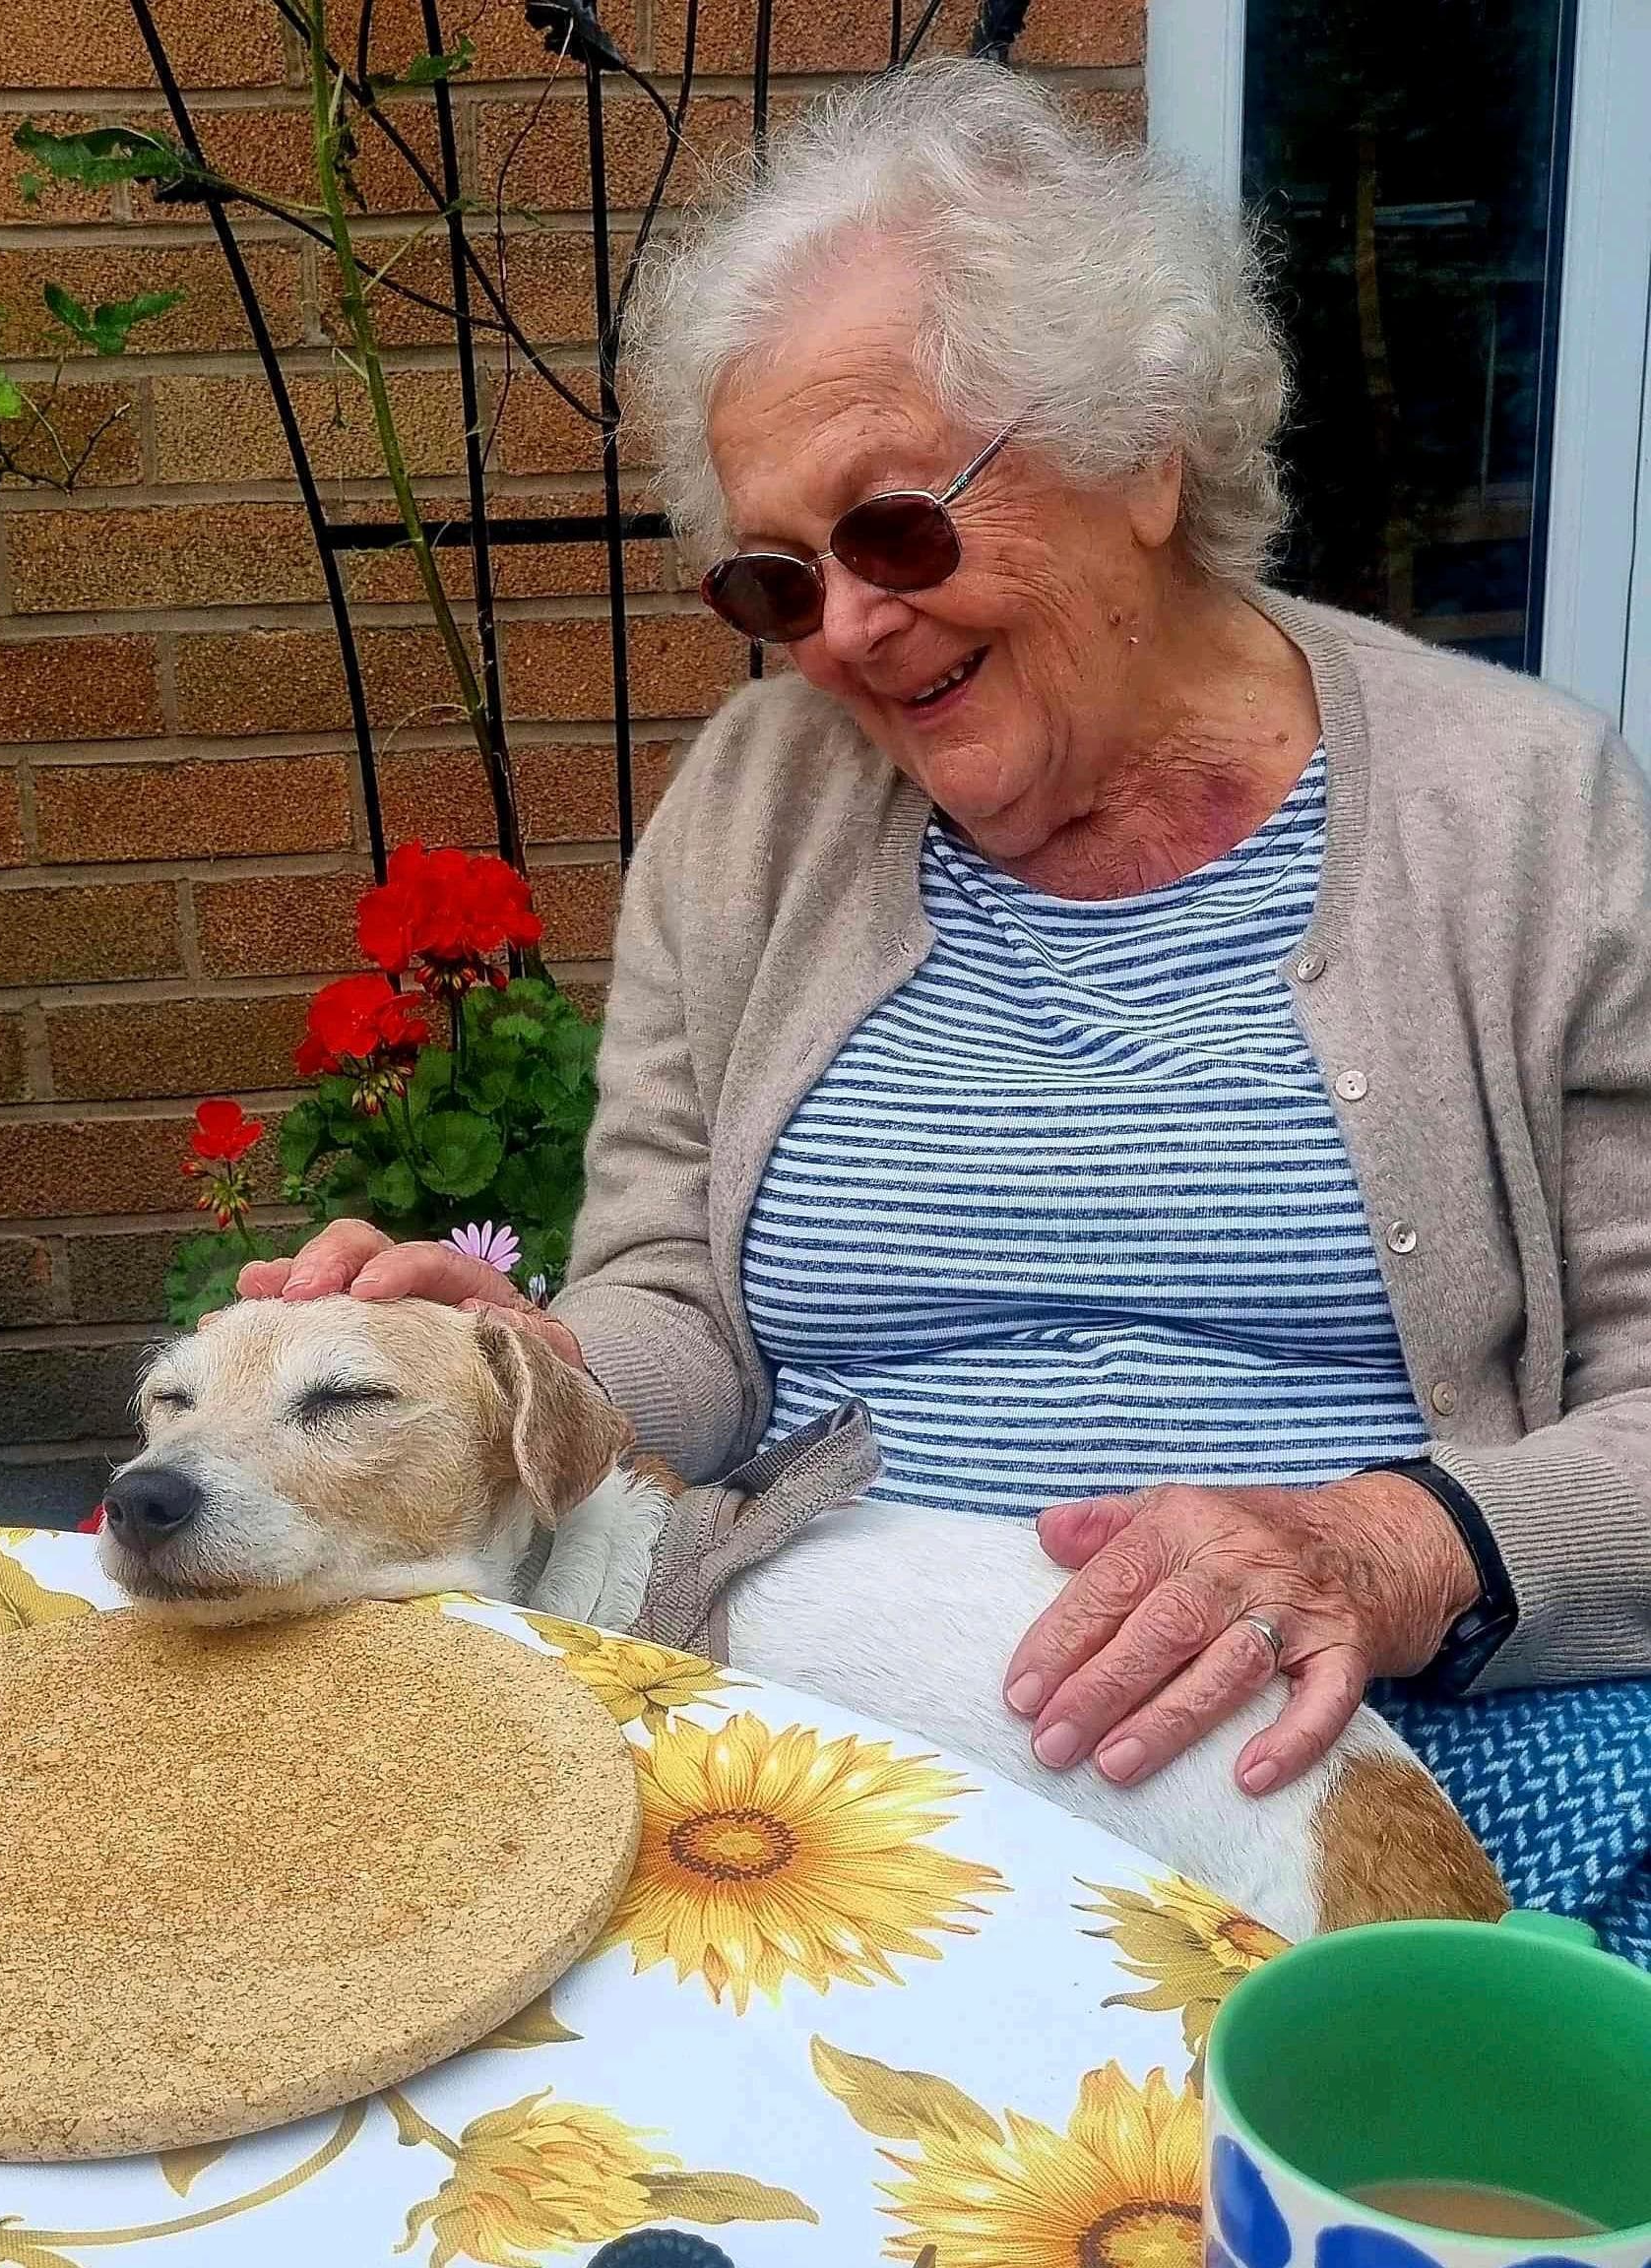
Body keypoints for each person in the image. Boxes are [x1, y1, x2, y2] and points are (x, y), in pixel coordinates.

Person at [240, 61, 1651, 1952]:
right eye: (777, 575)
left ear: (1145, 454)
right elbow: (678, 1307)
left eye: (896, 527)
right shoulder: (756, 813)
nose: (844, 626)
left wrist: (1387, 1551)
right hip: (817, 1713)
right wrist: (525, 1365)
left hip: (1388, 1733)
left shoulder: (1530, 820)